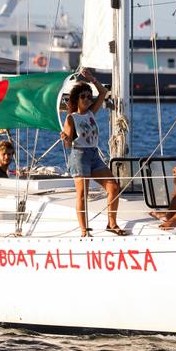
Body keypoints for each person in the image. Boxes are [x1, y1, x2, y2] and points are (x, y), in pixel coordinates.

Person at [61, 68, 125, 237]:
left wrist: (91, 79)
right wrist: (65, 138)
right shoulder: (71, 118)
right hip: (79, 156)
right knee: (82, 195)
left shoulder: (91, 113)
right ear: (76, 99)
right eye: (83, 96)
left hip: (94, 155)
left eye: (89, 96)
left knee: (113, 187)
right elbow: (68, 144)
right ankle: (84, 230)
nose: (87, 99)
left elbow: (103, 92)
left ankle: (112, 224)